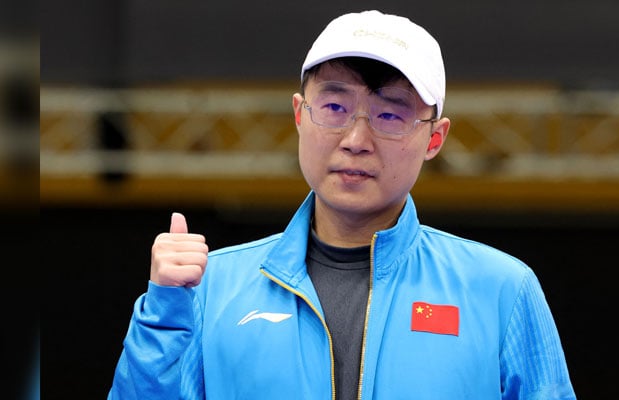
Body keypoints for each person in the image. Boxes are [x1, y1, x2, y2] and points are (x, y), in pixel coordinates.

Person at [107, 10, 576, 400]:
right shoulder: (209, 290)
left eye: (390, 115)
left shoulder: (500, 291)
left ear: (434, 139)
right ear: (299, 115)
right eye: (334, 108)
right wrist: (164, 314)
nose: (356, 140)